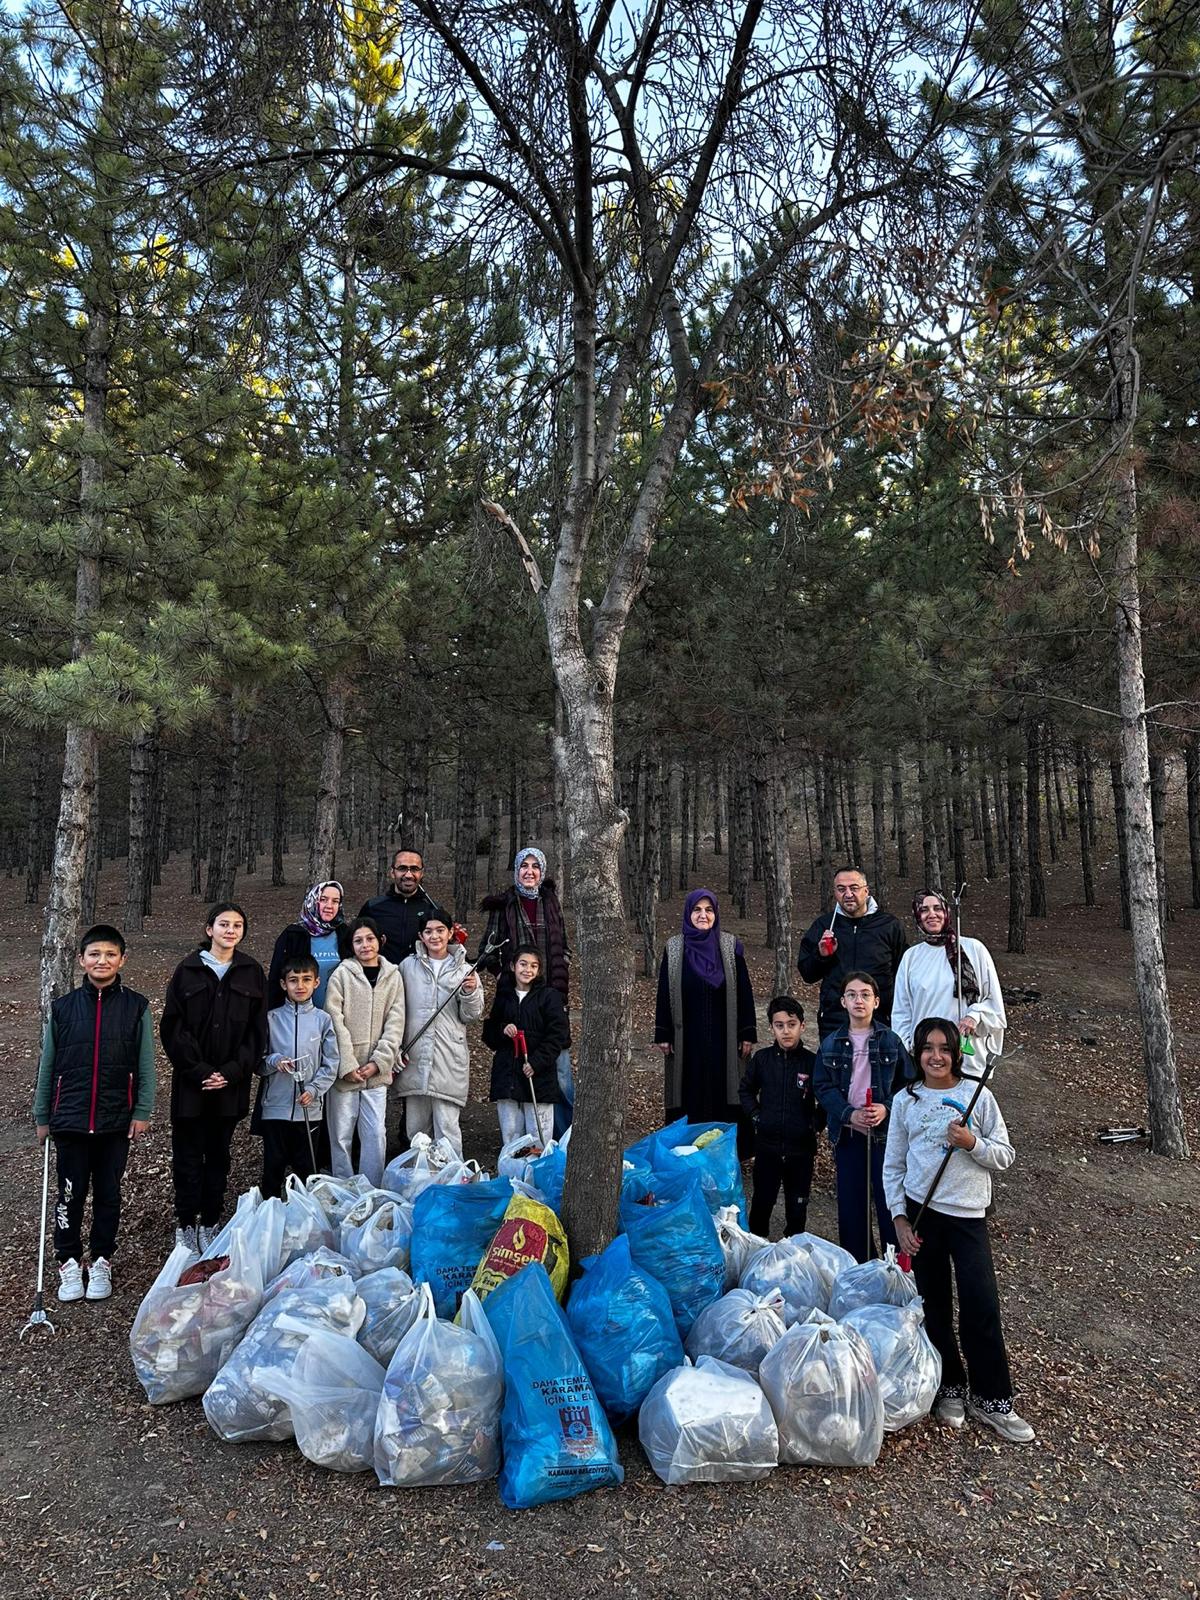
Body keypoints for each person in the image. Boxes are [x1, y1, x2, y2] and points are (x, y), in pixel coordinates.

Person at [884, 1017, 1034, 1442]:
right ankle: (949, 1384)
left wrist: (972, 1144)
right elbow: (893, 1164)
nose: (936, 1056)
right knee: (932, 1304)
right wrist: (899, 1218)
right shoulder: (905, 1101)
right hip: (921, 1212)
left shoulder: (977, 1096)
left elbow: (1004, 1154)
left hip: (968, 1215)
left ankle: (992, 1398)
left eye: (945, 1048)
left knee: (980, 1301)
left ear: (956, 1052)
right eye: (928, 1048)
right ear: (918, 1053)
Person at [33, 924, 154, 1302]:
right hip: (69, 1118)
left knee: (108, 1193)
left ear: (122, 959)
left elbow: (146, 1063)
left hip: (115, 1119)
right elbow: (48, 1063)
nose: (102, 961)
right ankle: (68, 1261)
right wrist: (42, 1115)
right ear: (81, 959)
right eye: (94, 954)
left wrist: (143, 1109)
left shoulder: (136, 1006)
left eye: (110, 954)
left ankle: (101, 1258)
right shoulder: (64, 1008)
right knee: (69, 1195)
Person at [161, 903, 268, 1252]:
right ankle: (186, 1224)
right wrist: (201, 1071)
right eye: (224, 924)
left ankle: (210, 1220)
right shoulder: (188, 971)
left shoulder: (251, 972)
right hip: (192, 1086)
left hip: (230, 1087)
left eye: (238, 925)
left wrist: (232, 1072)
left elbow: (257, 1030)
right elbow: (173, 1028)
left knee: (219, 1156)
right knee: (188, 1156)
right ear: (210, 929)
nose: (231, 930)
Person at [812, 970, 913, 1264]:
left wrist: (887, 1107)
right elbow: (822, 1085)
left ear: (877, 1002)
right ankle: (860, 1267)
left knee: (888, 1202)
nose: (859, 1000)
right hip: (849, 1135)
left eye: (865, 995)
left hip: (885, 1137)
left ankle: (895, 1268)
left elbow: (909, 1085)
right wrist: (848, 1114)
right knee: (852, 1206)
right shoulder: (831, 1043)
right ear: (843, 1001)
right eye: (852, 995)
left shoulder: (891, 1041)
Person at [480, 846, 573, 1135]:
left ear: (542, 872)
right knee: (520, 1061)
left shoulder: (551, 902)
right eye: (524, 866)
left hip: (551, 995)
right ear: (517, 870)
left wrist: (560, 973)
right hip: (517, 997)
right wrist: (506, 978)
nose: (529, 871)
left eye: (535, 866)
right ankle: (525, 1138)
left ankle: (563, 1138)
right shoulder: (504, 905)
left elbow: (564, 946)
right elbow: (488, 951)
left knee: (559, 1067)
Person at [654, 888, 757, 1136]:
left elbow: (744, 990)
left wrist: (747, 1031)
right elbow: (664, 991)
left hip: (724, 1037)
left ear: (716, 914)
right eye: (697, 910)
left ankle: (725, 1153)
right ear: (688, 913)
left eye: (709, 910)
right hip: (687, 1038)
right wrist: (663, 1032)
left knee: (726, 1087)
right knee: (688, 1088)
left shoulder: (731, 947)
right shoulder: (675, 948)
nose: (703, 915)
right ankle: (688, 1150)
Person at [324, 917, 406, 1186]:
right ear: (351, 945)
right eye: (358, 940)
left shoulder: (393, 976)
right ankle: (343, 1186)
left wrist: (379, 1061)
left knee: (375, 1133)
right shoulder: (342, 975)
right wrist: (346, 1065)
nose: (365, 945)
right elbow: (334, 1020)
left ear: (380, 941)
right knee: (341, 1132)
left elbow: (396, 1021)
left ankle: (372, 1187)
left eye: (370, 938)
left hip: (375, 1071)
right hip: (345, 1071)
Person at [397, 906, 484, 1157]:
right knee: (416, 1131)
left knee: (447, 1128)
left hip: (448, 1059)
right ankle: (418, 1182)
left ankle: (451, 1183)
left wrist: (469, 993)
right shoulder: (406, 967)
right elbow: (397, 1009)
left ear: (450, 933)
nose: (434, 936)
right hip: (414, 1058)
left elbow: (471, 1015)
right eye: (428, 931)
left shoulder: (464, 969)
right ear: (421, 936)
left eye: (440, 930)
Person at [891, 890, 1007, 1068]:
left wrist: (974, 1016)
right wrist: (909, 1047)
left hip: (966, 1056)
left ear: (946, 912)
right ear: (917, 916)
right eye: (924, 910)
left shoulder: (973, 949)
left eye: (937, 908)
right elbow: (901, 1010)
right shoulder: (911, 957)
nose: (931, 914)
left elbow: (993, 1002)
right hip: (926, 1058)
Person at [256, 954, 340, 1199]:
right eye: (293, 980)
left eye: (306, 980)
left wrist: (313, 1090)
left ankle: (304, 1220)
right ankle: (269, 1217)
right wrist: (275, 1061)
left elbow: (331, 1063)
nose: (299, 986)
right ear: (284, 984)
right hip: (275, 1109)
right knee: (273, 1167)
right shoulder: (271, 1019)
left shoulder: (323, 1020)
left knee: (306, 1169)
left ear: (316, 983)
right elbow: (258, 1062)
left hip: (308, 1110)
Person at [738, 996, 821, 1238]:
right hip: (767, 1147)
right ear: (772, 1028)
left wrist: (813, 1125)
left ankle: (792, 1259)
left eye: (791, 1024)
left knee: (797, 1209)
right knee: (762, 1203)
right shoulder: (762, 1060)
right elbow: (746, 1090)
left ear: (802, 1026)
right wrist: (756, 1116)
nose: (786, 1031)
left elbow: (825, 1099)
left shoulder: (812, 1062)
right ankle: (755, 1252)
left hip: (801, 1150)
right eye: (779, 1025)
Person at [796, 865, 908, 1040]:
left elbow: (903, 975)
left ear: (866, 891)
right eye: (841, 889)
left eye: (854, 888)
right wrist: (821, 955)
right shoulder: (824, 926)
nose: (848, 894)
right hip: (835, 1022)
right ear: (835, 893)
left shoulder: (889, 926)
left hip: (881, 1021)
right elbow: (807, 974)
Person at [482, 944, 569, 1148]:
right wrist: (503, 1030)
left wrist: (537, 1062)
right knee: (511, 1135)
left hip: (538, 1077)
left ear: (539, 970)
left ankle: (536, 1176)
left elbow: (558, 1035)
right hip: (507, 1074)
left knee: (538, 1135)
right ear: (513, 966)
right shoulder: (504, 996)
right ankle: (513, 1173)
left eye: (533, 965)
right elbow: (490, 1034)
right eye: (523, 964)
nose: (527, 970)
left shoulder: (549, 997)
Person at [267, 881, 346, 1010]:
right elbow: (276, 978)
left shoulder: (344, 933)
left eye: (335, 901)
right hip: (299, 1017)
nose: (329, 906)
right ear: (313, 900)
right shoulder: (293, 934)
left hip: (336, 1016)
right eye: (323, 899)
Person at [358, 849, 439, 964]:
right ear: (392, 872)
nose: (409, 875)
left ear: (422, 873)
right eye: (402, 868)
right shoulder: (373, 907)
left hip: (421, 978)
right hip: (383, 978)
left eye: (415, 869)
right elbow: (355, 944)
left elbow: (446, 951)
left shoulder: (433, 909)